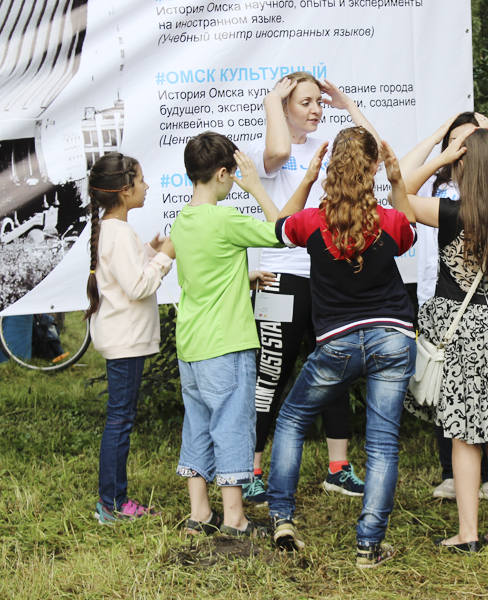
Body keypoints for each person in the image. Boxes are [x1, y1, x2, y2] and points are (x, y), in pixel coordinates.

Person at [265, 127, 417, 569]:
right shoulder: (389, 222)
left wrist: (308, 181)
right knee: (384, 444)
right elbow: (407, 229)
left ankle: (282, 519)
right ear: (373, 168)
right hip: (392, 336)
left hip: (337, 344)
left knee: (292, 419)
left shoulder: (312, 221)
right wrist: (396, 180)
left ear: (330, 168)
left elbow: (279, 228)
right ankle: (368, 547)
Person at [171, 131, 326, 537]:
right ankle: (235, 518)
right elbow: (283, 231)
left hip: (191, 344)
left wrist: (244, 276)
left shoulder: (182, 221)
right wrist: (256, 186)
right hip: (227, 343)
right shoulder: (225, 219)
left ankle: (200, 513)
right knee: (233, 427)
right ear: (224, 174)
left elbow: (196, 278)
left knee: (198, 425)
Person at [244, 72, 381, 502]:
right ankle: (251, 471)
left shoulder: (332, 151)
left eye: (318, 104)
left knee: (334, 370)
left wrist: (346, 102)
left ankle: (338, 470)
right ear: (284, 107)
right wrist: (272, 100)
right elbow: (281, 147)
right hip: (279, 281)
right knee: (272, 375)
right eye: (305, 103)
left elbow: (374, 151)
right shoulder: (271, 152)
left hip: (323, 278)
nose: (316, 111)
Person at [407, 129, 488, 553]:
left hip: (461, 328)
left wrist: (439, 157)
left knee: (464, 434)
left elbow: (400, 195)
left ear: (461, 165)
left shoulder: (450, 213)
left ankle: (468, 533)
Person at [399, 112, 488, 501]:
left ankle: (485, 477)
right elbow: (399, 189)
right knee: (444, 388)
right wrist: (439, 138)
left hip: (483, 307)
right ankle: (451, 473)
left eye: (474, 140)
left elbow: (398, 193)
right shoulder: (439, 190)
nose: (463, 148)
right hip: (438, 304)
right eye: (457, 141)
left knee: (484, 391)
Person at [84, 152, 176, 524]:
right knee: (120, 419)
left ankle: (113, 499)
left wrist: (151, 250)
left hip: (124, 338)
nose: (147, 185)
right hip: (124, 340)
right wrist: (164, 258)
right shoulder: (117, 231)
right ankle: (112, 503)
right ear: (124, 191)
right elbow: (138, 286)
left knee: (121, 417)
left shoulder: (115, 230)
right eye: (141, 180)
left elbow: (127, 271)